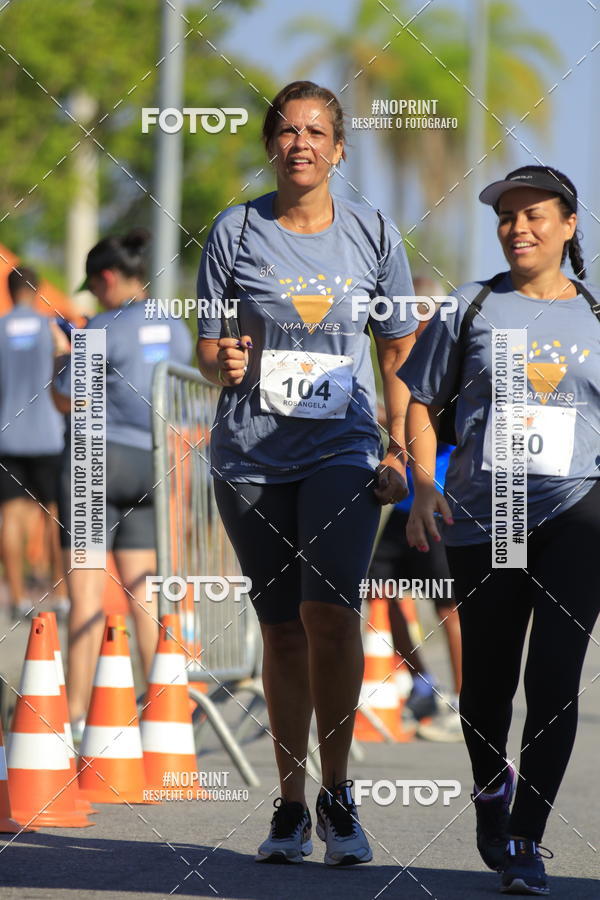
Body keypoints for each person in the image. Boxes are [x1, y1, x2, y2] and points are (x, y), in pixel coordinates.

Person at [196, 80, 416, 866]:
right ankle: (290, 807)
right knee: (281, 629)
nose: (301, 144)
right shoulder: (235, 229)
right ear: (270, 145)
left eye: (317, 132)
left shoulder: (374, 232)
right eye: (287, 131)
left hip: (343, 447)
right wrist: (219, 360)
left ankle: (339, 794)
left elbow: (398, 350)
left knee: (331, 614)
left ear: (339, 149)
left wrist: (398, 449)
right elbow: (210, 343)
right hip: (250, 454)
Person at [400, 165, 600, 895]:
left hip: (578, 511)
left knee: (554, 680)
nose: (518, 228)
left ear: (569, 225)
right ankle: (492, 792)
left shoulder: (597, 317)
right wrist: (424, 485)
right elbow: (420, 402)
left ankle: (527, 838)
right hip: (492, 512)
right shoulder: (471, 306)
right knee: (488, 683)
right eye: (507, 217)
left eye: (534, 215)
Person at [52, 229, 192, 741]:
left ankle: (74, 722)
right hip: (154, 463)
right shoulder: (174, 325)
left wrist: (61, 356)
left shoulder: (102, 326)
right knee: (145, 595)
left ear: (108, 278)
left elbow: (69, 400)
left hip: (96, 460)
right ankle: (162, 718)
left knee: (86, 597)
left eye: (95, 286)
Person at [367, 279, 462, 742]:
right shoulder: (400, 360)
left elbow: (437, 422)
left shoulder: (450, 358)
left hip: (442, 499)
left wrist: (398, 422)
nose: (413, 323)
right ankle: (426, 685)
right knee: (373, 590)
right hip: (404, 504)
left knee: (448, 604)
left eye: (423, 314)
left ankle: (466, 703)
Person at [0, 267, 67, 620]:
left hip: (7, 436)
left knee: (11, 516)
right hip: (47, 435)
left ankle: (17, 599)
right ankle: (59, 595)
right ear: (37, 290)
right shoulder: (52, 328)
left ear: (9, 291)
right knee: (55, 513)